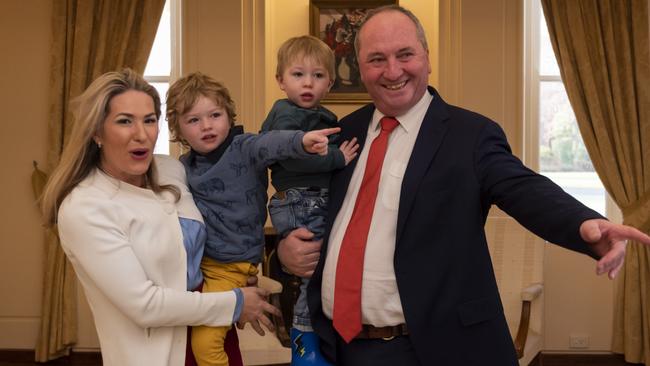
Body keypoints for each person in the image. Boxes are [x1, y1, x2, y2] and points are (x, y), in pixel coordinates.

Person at [276, 5, 650, 366]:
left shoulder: (470, 135)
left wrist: (585, 225)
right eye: (377, 59)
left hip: (432, 348)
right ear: (360, 67)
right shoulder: (345, 131)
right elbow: (310, 201)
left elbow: (523, 188)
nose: (393, 71)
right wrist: (287, 249)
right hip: (339, 347)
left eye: (405, 54)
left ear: (426, 56)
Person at [39, 69, 280, 366]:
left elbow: (219, 227)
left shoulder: (173, 169)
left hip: (214, 335)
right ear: (97, 132)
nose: (141, 134)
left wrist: (243, 274)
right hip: (156, 355)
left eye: (149, 120)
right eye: (125, 121)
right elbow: (145, 305)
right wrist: (237, 302)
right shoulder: (84, 206)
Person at [165, 72, 339, 366]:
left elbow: (271, 143)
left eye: (215, 115)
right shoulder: (185, 165)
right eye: (193, 120)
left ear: (229, 116)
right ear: (178, 130)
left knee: (205, 345)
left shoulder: (244, 147)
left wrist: (301, 141)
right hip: (199, 264)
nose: (206, 125)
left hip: (228, 267)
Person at [260, 35, 359, 366]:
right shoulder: (287, 115)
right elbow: (294, 156)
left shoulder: (319, 116)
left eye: (317, 76)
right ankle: (304, 338)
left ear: (330, 82)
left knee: (319, 271)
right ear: (281, 81)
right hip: (301, 200)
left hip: (308, 198)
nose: (308, 83)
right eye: (298, 74)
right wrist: (337, 160)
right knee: (314, 272)